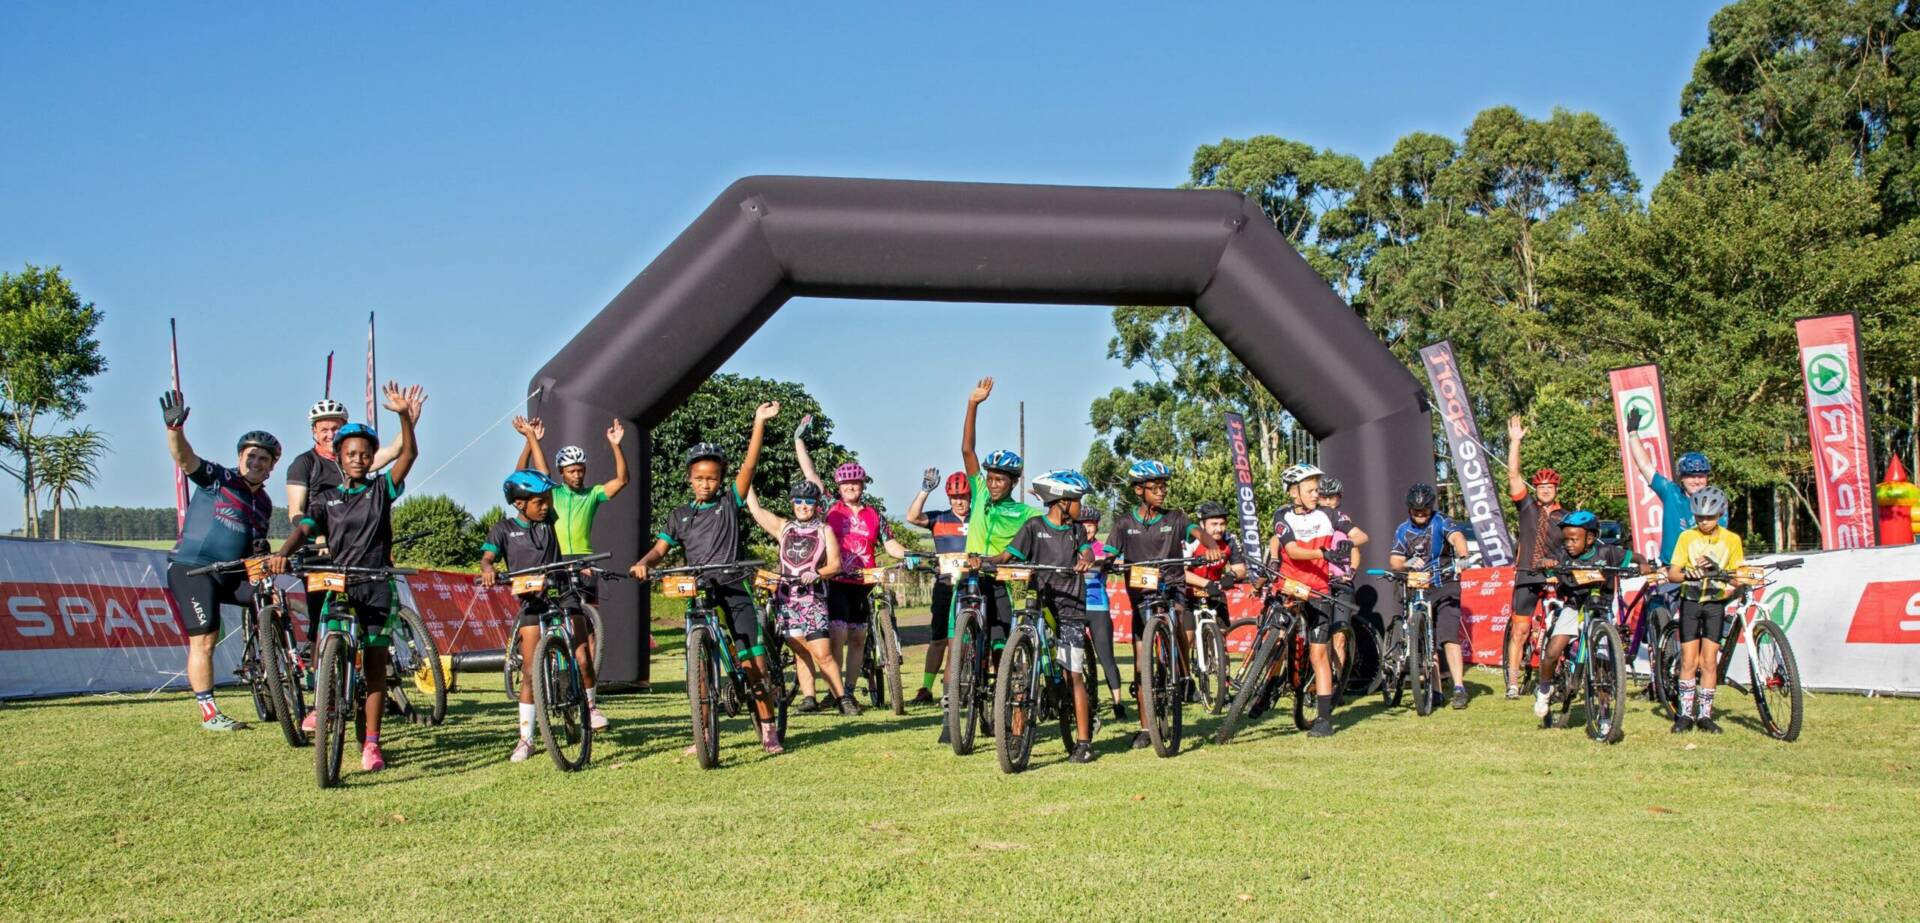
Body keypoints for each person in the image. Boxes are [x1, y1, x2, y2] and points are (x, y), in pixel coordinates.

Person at [270, 382, 425, 773]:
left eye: (365, 454)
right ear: (338, 457)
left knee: (374, 665)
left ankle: (371, 744)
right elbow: (304, 526)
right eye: (350, 454)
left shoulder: (382, 490)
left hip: (376, 584)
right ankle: (325, 697)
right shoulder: (327, 499)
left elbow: (409, 453)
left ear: (373, 458)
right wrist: (282, 554)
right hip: (339, 582)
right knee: (328, 644)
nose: (358, 459)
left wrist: (405, 417)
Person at [629, 401, 785, 753]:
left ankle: (768, 728)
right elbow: (659, 550)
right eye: (699, 478)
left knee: (753, 662)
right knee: (698, 670)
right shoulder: (679, 515)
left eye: (711, 478)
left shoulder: (730, 501)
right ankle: (702, 731)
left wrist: (758, 422)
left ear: (720, 479)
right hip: (699, 589)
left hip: (734, 586)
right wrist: (644, 563)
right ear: (689, 479)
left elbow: (750, 464)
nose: (705, 483)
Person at [158, 390, 281, 732]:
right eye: (250, 456)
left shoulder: (266, 503)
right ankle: (210, 713)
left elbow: (254, 546)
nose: (255, 463)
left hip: (231, 572)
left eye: (263, 460)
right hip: (192, 569)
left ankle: (268, 660)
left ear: (272, 467)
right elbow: (185, 459)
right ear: (240, 457)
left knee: (271, 600)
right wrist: (174, 430)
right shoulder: (219, 478)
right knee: (205, 639)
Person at [479, 469, 606, 762]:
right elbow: (488, 557)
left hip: (562, 591)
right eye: (539, 501)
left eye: (548, 498)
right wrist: (488, 571)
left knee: (583, 656)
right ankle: (526, 739)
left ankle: (591, 709)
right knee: (529, 671)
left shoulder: (549, 521)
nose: (547, 505)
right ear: (520, 504)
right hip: (531, 601)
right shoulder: (502, 529)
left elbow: (540, 471)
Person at [1106, 458, 1222, 749]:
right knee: (1140, 663)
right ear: (1138, 490)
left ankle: (1183, 675)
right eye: (1155, 487)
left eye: (1164, 486)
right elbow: (1108, 551)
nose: (1161, 492)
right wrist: (1105, 562)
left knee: (1179, 618)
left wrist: (1210, 545)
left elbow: (1199, 533)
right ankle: (1146, 728)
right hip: (1141, 596)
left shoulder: (1176, 517)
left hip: (1172, 587)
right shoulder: (1123, 523)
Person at [951, 376, 1043, 743]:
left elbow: (1035, 539)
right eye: (990, 477)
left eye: (1000, 479)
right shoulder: (978, 493)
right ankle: (959, 713)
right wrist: (973, 404)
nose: (992, 482)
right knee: (965, 645)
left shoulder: (1024, 513)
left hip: (1001, 581)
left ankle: (1012, 716)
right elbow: (967, 449)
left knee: (1004, 650)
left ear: (1012, 481)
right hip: (970, 580)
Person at [987, 469, 1101, 762]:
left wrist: (1086, 559)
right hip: (1040, 600)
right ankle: (1015, 734)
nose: (1081, 505)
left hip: (1071, 606)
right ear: (1062, 501)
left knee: (1073, 673)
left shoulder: (1076, 530)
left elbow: (1088, 552)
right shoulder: (1033, 526)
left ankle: (1084, 743)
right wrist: (985, 561)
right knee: (1023, 671)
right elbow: (1007, 556)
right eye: (1078, 499)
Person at [794, 427, 912, 707]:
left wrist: (907, 555)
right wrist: (799, 441)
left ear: (863, 486)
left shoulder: (875, 515)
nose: (851, 488)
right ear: (839, 487)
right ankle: (834, 690)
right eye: (847, 484)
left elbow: (890, 544)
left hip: (864, 582)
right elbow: (810, 475)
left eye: (856, 484)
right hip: (836, 581)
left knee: (858, 637)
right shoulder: (830, 508)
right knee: (837, 635)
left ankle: (848, 689)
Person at [285, 398, 400, 648]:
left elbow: (394, 452)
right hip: (319, 551)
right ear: (314, 431)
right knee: (321, 620)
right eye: (324, 429)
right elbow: (295, 510)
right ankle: (321, 680)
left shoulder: (353, 458)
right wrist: (318, 535)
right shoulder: (303, 463)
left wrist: (409, 419)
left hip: (358, 554)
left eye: (335, 428)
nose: (329, 434)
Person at [745, 480, 860, 716]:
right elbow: (755, 509)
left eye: (809, 502)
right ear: (792, 503)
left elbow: (836, 564)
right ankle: (809, 698)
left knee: (822, 653)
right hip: (787, 600)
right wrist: (746, 478)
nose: (804, 506)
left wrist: (817, 573)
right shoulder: (783, 527)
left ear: (817, 505)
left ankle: (842, 699)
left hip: (813, 599)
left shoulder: (824, 530)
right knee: (800, 650)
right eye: (799, 501)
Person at [1531, 511, 1651, 723]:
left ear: (1590, 538)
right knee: (1553, 650)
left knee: (1602, 666)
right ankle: (1544, 689)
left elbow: (1635, 557)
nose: (1568, 544)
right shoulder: (1563, 556)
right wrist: (1546, 563)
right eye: (1565, 539)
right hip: (1574, 606)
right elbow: (1544, 561)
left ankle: (1604, 715)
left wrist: (1643, 564)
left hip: (1601, 608)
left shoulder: (1608, 552)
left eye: (1574, 539)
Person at [1269, 465, 1344, 737]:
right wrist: (1324, 554)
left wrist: (1347, 544)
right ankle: (1266, 687)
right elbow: (1291, 550)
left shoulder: (1328, 513)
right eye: (1310, 490)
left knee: (1317, 654)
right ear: (1293, 492)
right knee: (1275, 638)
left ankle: (1324, 720)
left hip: (1319, 591)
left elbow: (1360, 534)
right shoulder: (1281, 515)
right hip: (1290, 586)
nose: (1316, 494)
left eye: (1317, 489)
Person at [1663, 487, 1744, 735]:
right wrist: (1689, 573)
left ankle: (1705, 716)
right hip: (1690, 601)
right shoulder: (1687, 537)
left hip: (1714, 603)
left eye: (1709, 517)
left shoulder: (1731, 539)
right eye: (1699, 517)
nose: (1704, 522)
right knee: (1689, 660)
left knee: (1709, 662)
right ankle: (1685, 714)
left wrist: (1720, 571)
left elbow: (1739, 575)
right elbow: (1673, 573)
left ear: (1720, 514)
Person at [1388, 482, 1474, 711]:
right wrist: (1405, 563)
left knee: (1447, 634)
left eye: (1424, 510)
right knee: (1428, 640)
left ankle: (1458, 687)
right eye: (1416, 511)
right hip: (1419, 587)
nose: (1420, 515)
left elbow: (1457, 537)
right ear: (1409, 510)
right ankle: (1435, 690)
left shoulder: (1442, 521)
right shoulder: (1402, 530)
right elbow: (1395, 560)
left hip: (1445, 583)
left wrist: (1463, 556)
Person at [1505, 415, 1566, 700]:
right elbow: (1513, 475)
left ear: (1556, 491)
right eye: (1540, 486)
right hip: (1527, 572)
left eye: (1549, 487)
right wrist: (1515, 442)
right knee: (1520, 628)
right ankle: (1514, 683)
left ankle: (1557, 676)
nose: (1544, 490)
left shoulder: (1566, 517)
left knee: (1560, 629)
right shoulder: (1526, 506)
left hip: (1554, 574)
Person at [905, 468, 971, 706]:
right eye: (954, 498)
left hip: (973, 585)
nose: (959, 501)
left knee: (968, 639)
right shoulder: (940, 518)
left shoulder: (980, 519)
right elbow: (912, 517)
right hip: (945, 585)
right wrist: (925, 490)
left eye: (963, 496)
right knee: (939, 639)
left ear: (970, 496)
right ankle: (926, 688)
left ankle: (965, 685)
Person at [1076, 505, 1126, 719]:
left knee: (1106, 657)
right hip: (1075, 606)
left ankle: (1118, 703)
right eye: (1083, 525)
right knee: (1073, 659)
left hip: (1098, 607)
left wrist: (1111, 563)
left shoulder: (1103, 548)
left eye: (1091, 525)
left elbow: (1117, 560)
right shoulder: (1071, 546)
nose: (1087, 529)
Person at [1316, 476, 1368, 680]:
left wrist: (1350, 572)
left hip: (1340, 582)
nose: (1328, 502)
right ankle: (1316, 682)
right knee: (1318, 637)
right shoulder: (1311, 520)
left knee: (1339, 637)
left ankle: (1336, 684)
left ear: (1340, 497)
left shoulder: (1343, 520)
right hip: (1318, 583)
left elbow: (1358, 542)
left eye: (1332, 497)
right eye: (1324, 497)